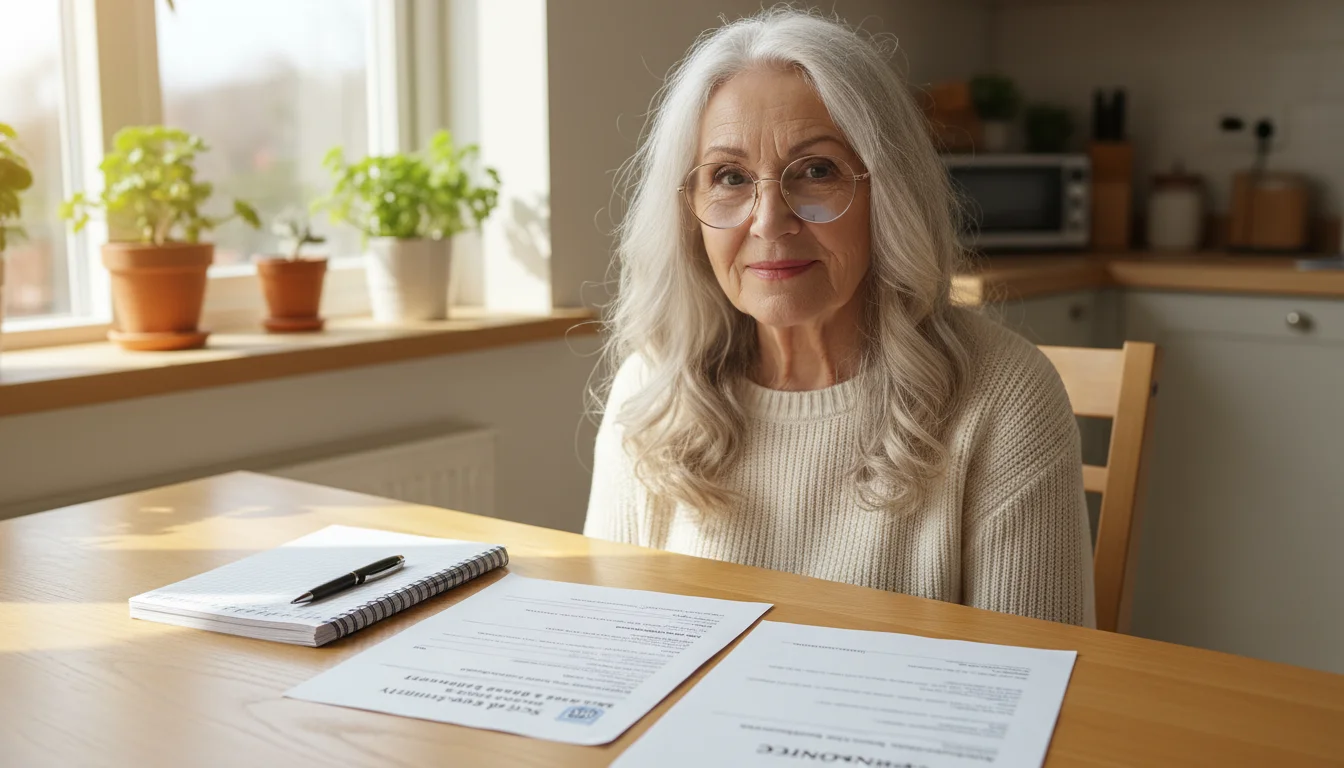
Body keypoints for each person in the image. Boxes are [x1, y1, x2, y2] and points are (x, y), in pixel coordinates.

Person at [584, 8, 1094, 627]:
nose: (769, 221)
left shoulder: (1007, 400)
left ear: (890, 192)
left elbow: (1031, 686)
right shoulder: (652, 387)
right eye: (729, 177)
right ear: (688, 208)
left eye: (816, 171)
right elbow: (609, 642)